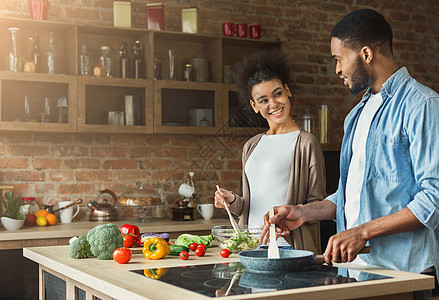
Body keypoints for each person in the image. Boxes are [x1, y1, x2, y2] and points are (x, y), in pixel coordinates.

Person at [260, 8, 439, 294]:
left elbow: (434, 199)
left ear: (366, 54)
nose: (337, 69)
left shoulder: (422, 106)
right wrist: (304, 213)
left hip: (403, 277)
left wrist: (362, 232)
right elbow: (352, 195)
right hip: (354, 275)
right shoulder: (356, 114)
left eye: (339, 59)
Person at [214, 51, 326, 255]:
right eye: (263, 100)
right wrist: (232, 201)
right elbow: (252, 205)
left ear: (288, 90)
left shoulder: (306, 143)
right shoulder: (251, 146)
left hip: (290, 249)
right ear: (254, 106)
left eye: (277, 94)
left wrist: (290, 216)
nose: (273, 104)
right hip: (252, 248)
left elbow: (317, 206)